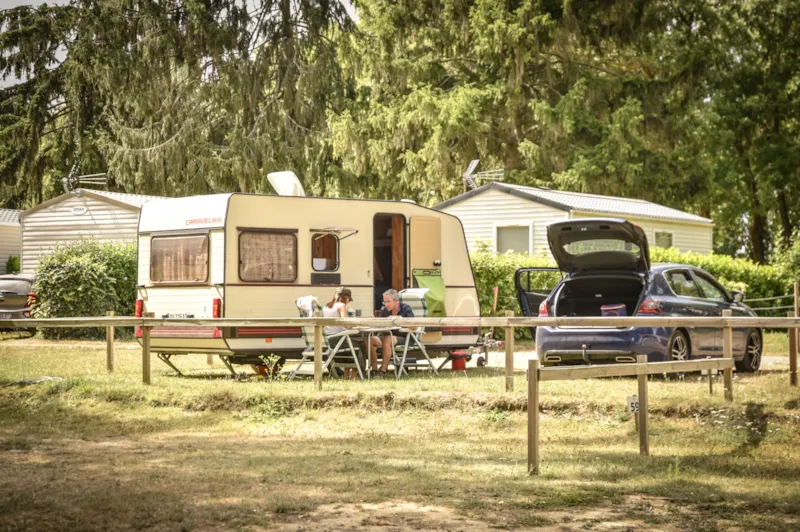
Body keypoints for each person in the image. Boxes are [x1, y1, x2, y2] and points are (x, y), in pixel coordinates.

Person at [370, 288, 414, 376]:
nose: (386, 304)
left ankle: (383, 369)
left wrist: (400, 319)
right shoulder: (386, 310)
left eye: (388, 301)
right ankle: (374, 368)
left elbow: (414, 326)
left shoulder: (406, 308)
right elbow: (381, 324)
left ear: (396, 301)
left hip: (405, 338)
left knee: (387, 339)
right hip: (389, 336)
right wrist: (374, 321)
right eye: (384, 302)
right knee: (370, 339)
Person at [322, 288, 360, 379]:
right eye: (349, 300)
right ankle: (356, 376)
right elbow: (346, 324)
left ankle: (346, 375)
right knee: (359, 346)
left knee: (351, 345)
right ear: (346, 298)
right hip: (336, 341)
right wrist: (355, 324)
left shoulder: (326, 306)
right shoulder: (341, 305)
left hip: (327, 341)